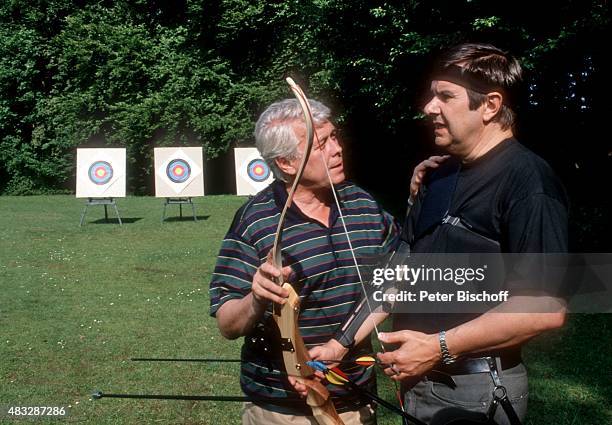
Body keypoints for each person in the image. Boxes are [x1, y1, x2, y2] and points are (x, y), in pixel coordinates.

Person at [309, 43, 569, 424]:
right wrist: (339, 343)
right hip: (418, 384)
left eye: (445, 96)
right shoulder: (438, 174)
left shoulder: (529, 181)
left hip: (478, 393)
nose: (429, 107)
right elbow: (400, 272)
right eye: (433, 95)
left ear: (490, 106)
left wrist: (437, 347)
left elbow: (545, 308)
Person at [209, 98, 399, 424]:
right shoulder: (256, 220)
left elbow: (394, 281)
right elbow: (228, 324)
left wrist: (340, 345)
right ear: (287, 163)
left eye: (335, 137)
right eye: (322, 144)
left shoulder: (363, 204)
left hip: (357, 401)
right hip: (280, 411)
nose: (337, 149)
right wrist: (256, 298)